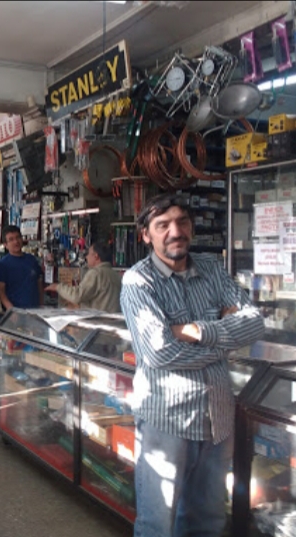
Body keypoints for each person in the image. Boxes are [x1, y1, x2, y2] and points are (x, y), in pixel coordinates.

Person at [120, 193, 264, 537]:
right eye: (163, 225)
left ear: (192, 228)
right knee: (157, 525)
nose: (175, 231)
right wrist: (223, 341)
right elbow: (158, 353)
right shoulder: (138, 282)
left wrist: (196, 331)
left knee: (208, 522)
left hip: (217, 420)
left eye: (182, 222)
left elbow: (255, 322)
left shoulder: (211, 269)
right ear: (146, 235)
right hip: (166, 421)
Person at [44, 243, 122, 313]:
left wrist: (58, 287)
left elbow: (77, 295)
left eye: (88, 254)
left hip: (98, 321)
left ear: (96, 256)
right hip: (114, 321)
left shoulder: (96, 274)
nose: (86, 257)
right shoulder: (116, 275)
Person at [0, 225, 43, 310]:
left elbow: (39, 285)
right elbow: (0, 292)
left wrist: (42, 306)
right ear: (5, 245)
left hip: (35, 310)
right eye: (11, 239)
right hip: (15, 312)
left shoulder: (31, 260)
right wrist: (12, 310)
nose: (16, 242)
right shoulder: (2, 265)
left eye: (18, 237)